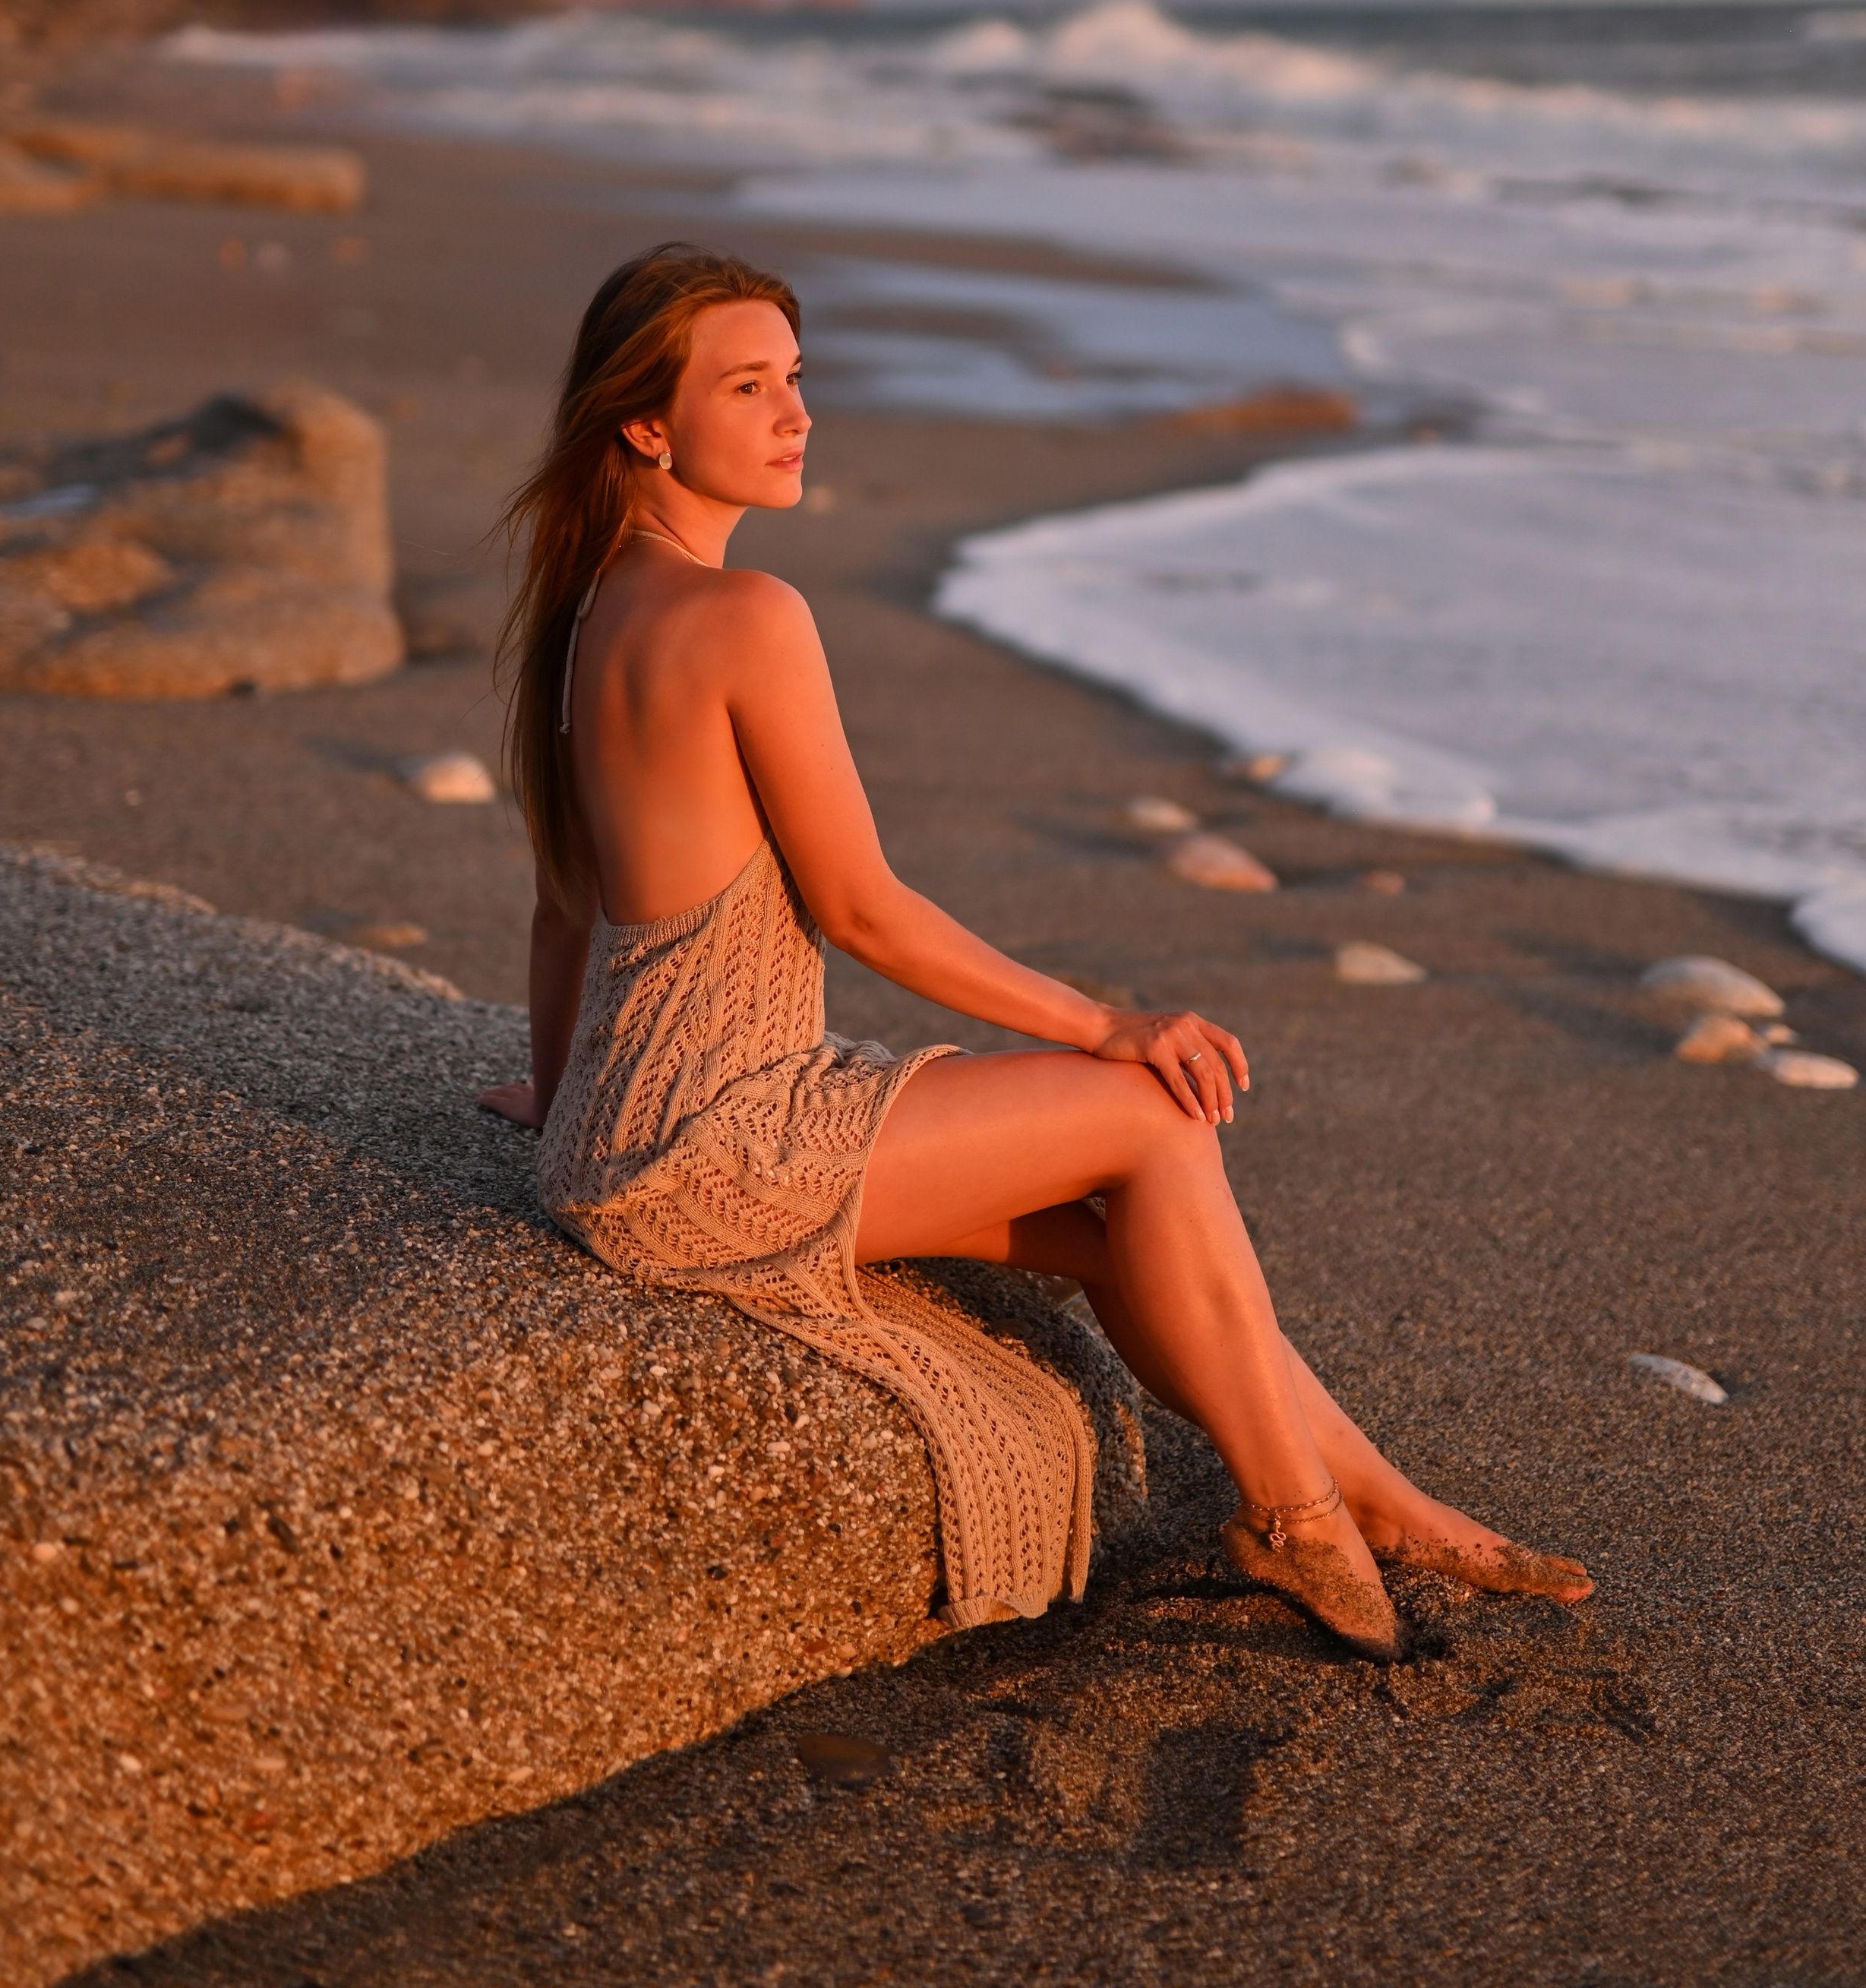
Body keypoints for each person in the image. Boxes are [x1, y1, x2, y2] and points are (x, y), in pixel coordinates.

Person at [481, 242, 1591, 1657]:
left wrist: (565, 1099)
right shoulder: (746, 618)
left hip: (637, 1140)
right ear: (648, 425)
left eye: (797, 378)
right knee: (1150, 1114)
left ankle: (1378, 1499)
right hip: (724, 1142)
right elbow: (863, 910)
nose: (797, 415)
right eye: (748, 387)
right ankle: (1296, 1515)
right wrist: (1103, 1024)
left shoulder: (592, 609)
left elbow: (562, 907)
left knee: (1128, 1234)